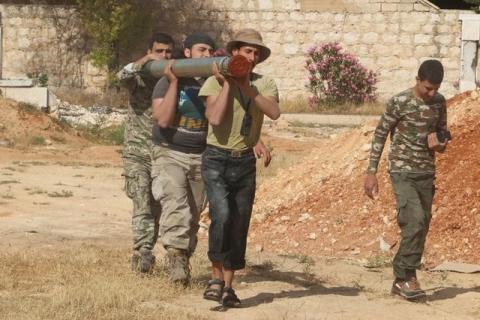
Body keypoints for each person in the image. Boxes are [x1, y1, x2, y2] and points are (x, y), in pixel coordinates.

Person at [198, 28, 280, 307]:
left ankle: (228, 288)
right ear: (235, 52)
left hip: (244, 161)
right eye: (247, 51)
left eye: (256, 53)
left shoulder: (264, 84)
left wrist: (245, 85)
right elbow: (215, 118)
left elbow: (274, 113)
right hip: (216, 159)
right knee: (221, 215)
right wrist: (228, 85)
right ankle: (215, 278)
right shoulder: (214, 81)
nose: (252, 56)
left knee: (238, 222)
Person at [364, 59, 449, 300]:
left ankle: (402, 279)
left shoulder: (440, 102)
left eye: (436, 88)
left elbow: (443, 132)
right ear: (417, 80)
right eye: (427, 88)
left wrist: (441, 144)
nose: (431, 93)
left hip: (426, 171)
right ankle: (405, 276)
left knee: (422, 227)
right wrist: (371, 172)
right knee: (415, 220)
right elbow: (380, 134)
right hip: (402, 171)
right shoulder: (400, 102)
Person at [150, 32, 216, 284]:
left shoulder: (212, 83)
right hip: (169, 151)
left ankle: (183, 258)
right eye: (201, 50)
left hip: (200, 154)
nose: (206, 55)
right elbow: (164, 120)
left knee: (194, 212)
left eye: (210, 50)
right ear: (187, 53)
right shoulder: (166, 82)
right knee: (176, 205)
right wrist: (174, 82)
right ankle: (176, 259)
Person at [117, 32, 175, 273]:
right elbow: (121, 77)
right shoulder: (138, 77)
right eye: (159, 51)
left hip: (163, 151)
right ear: (150, 50)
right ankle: (142, 254)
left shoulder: (174, 79)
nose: (164, 56)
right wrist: (144, 61)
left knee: (156, 205)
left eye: (168, 52)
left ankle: (146, 251)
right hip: (137, 152)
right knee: (142, 203)